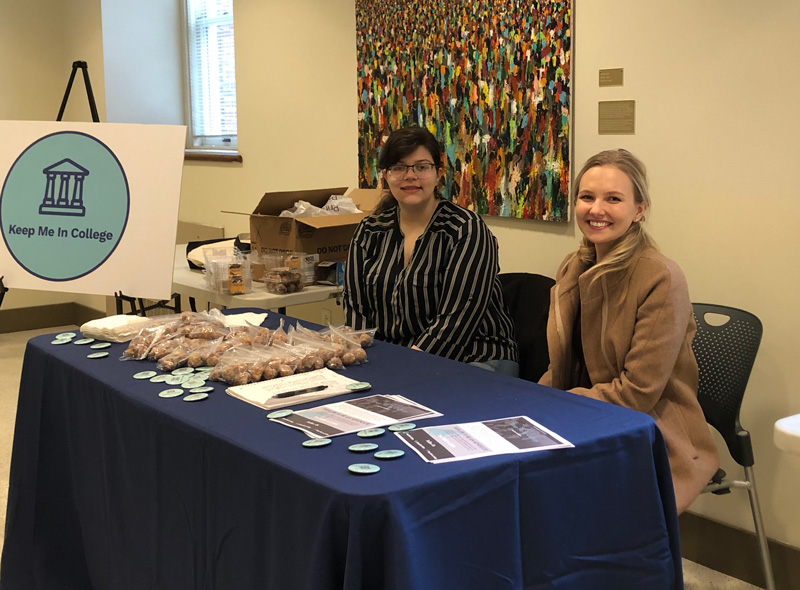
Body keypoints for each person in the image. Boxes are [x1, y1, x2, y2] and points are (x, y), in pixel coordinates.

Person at [539, 149, 718, 513]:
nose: (596, 209)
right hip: (581, 410)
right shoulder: (574, 266)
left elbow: (637, 394)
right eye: (586, 197)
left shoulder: (661, 277)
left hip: (648, 427)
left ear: (640, 209)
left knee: (558, 496)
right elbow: (562, 365)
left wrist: (555, 407)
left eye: (614, 199)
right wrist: (532, 404)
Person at [344, 126, 519, 375]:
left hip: (476, 357)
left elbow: (458, 319)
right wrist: (368, 356)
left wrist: (406, 368)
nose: (410, 176)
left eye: (422, 166)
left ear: (438, 174)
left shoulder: (465, 230)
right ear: (385, 175)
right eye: (399, 167)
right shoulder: (370, 230)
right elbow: (355, 306)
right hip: (395, 359)